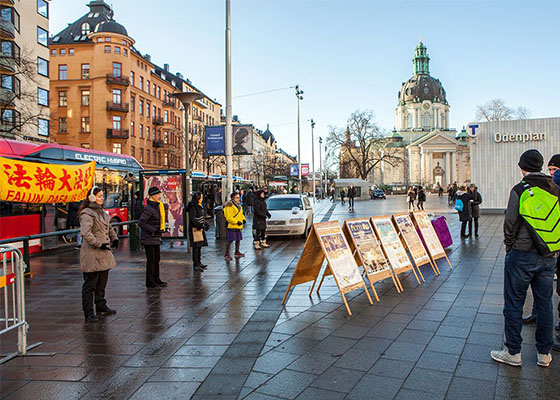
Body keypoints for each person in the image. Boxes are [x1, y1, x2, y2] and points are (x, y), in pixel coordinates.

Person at [491, 149, 560, 368]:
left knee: (513, 304)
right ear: (541, 166)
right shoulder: (556, 189)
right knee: (545, 303)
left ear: (522, 166)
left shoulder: (520, 189)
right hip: (549, 255)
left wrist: (510, 247)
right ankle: (544, 353)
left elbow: (509, 223)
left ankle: (513, 352)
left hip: (522, 254)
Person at [522, 154, 560, 337]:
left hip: (551, 248)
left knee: (546, 294)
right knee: (544, 292)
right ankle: (537, 314)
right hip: (547, 248)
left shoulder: (554, 188)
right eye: (551, 170)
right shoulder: (548, 187)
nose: (552, 173)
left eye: (556, 170)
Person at [79, 187, 118, 322]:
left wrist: (115, 238)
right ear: (92, 197)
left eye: (102, 196)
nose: (102, 198)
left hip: (104, 254)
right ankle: (88, 312)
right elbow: (85, 232)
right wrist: (98, 243)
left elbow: (109, 227)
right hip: (92, 255)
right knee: (90, 285)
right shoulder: (87, 213)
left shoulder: (102, 212)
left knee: (102, 283)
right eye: (100, 196)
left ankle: (101, 306)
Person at [138, 187, 167, 289]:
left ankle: (156, 279)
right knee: (151, 260)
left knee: (156, 259)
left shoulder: (158, 206)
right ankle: (150, 282)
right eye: (158, 194)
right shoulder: (149, 208)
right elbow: (141, 222)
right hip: (149, 238)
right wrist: (153, 229)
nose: (160, 196)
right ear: (153, 196)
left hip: (155, 237)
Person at [187, 192, 209, 272]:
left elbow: (201, 217)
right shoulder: (193, 207)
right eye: (201, 197)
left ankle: (199, 263)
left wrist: (205, 224)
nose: (202, 199)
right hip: (195, 230)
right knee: (196, 247)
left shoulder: (199, 206)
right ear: (198, 198)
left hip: (199, 229)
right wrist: (199, 225)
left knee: (199, 246)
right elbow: (193, 218)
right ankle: (196, 264)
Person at [223, 192, 246, 260]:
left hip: (238, 226)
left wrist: (243, 219)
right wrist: (236, 222)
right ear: (233, 198)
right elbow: (228, 217)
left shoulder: (239, 205)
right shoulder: (229, 205)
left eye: (239, 197)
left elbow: (240, 214)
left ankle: (237, 252)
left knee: (238, 239)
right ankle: (227, 254)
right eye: (237, 197)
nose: (239, 199)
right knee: (230, 240)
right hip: (232, 225)